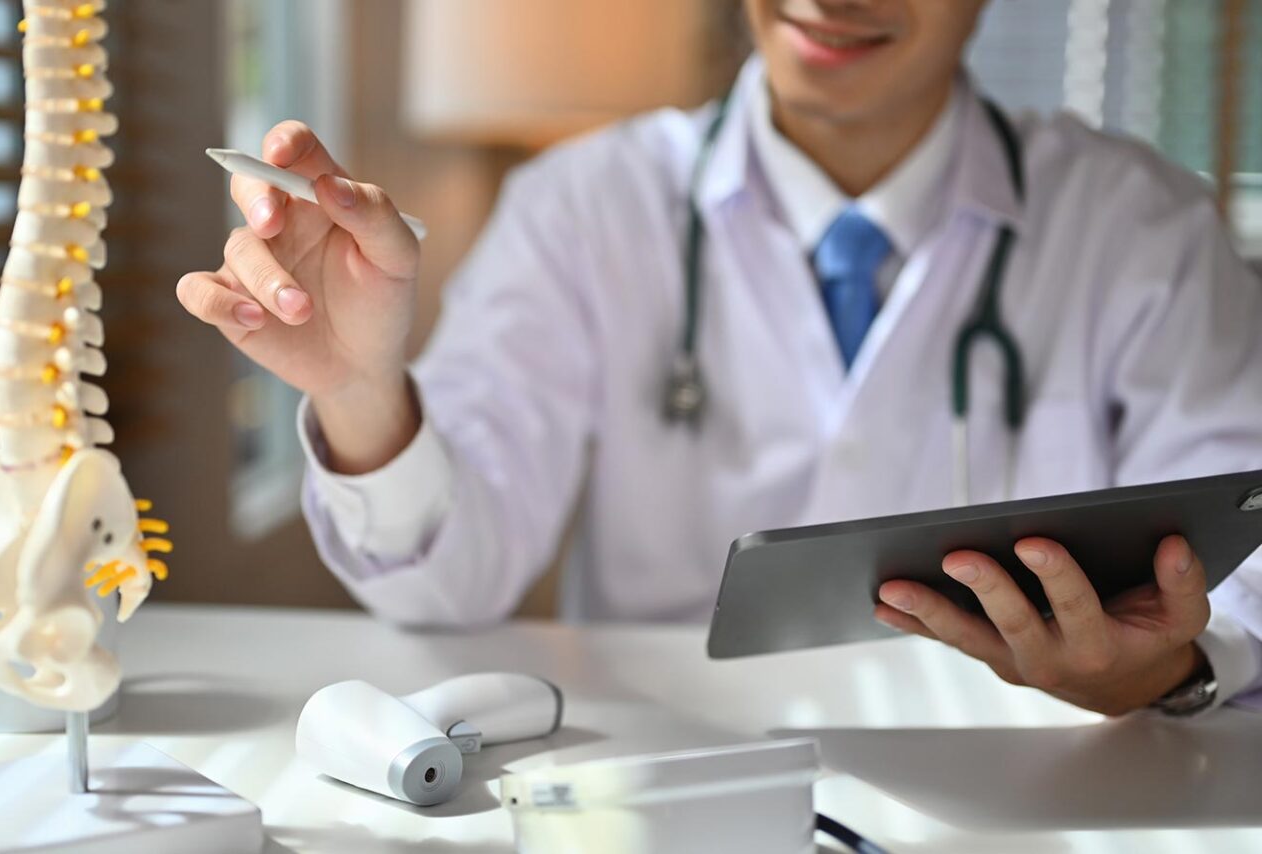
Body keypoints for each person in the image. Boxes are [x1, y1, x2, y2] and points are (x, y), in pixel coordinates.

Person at [177, 0, 1262, 717]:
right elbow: (455, 581)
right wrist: (364, 392)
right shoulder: (580, 204)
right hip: (674, 784)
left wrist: (1174, 661)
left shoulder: (1141, 222)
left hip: (1039, 780)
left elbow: (1246, 538)